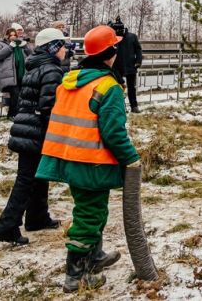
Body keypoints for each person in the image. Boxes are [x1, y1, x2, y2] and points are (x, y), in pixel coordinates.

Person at [36, 24, 139, 292]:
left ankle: (94, 256)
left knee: (93, 209)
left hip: (68, 158)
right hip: (91, 161)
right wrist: (131, 158)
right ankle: (76, 275)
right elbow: (114, 132)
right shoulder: (108, 87)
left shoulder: (71, 81)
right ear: (111, 52)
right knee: (89, 216)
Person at [0, 27, 68, 244]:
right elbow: (48, 106)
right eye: (62, 46)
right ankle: (7, 226)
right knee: (26, 180)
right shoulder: (52, 71)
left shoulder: (35, 67)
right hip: (36, 131)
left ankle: (37, 216)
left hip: (27, 128)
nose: (65, 50)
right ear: (54, 48)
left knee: (39, 174)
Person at [0, 25, 31, 117]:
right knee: (15, 94)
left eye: (15, 35)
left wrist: (25, 46)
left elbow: (31, 54)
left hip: (21, 73)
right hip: (9, 75)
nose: (13, 37)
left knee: (21, 94)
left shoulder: (21, 44)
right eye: (11, 35)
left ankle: (19, 113)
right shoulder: (1, 44)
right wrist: (10, 47)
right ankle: (12, 114)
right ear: (7, 36)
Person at [108, 17, 143, 113]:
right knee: (118, 87)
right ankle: (121, 106)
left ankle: (134, 106)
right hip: (117, 66)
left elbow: (138, 49)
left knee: (132, 87)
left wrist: (138, 61)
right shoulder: (113, 37)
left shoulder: (132, 37)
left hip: (131, 65)